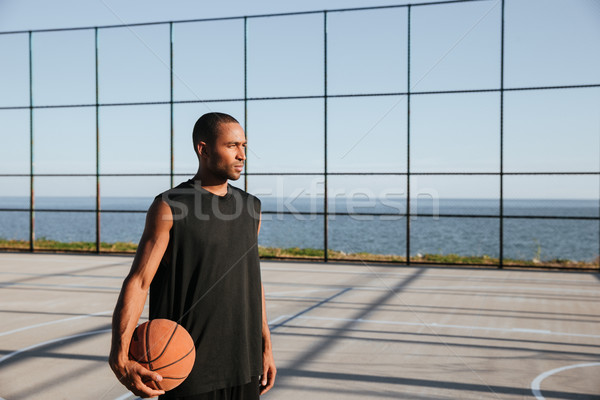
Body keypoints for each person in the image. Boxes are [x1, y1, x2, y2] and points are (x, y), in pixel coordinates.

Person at [109, 112, 276, 399]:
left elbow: (251, 281)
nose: (242, 155)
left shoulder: (251, 207)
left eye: (244, 146)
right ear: (204, 149)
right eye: (232, 146)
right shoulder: (170, 206)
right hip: (188, 371)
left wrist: (266, 347)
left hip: (244, 367)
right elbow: (139, 282)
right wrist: (119, 354)